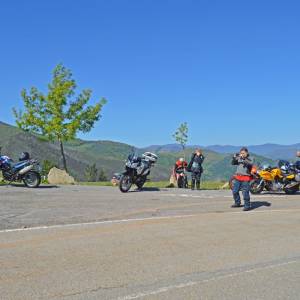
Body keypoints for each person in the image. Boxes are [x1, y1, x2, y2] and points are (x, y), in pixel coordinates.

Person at [231, 147, 254, 211]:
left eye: (243, 153)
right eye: (241, 153)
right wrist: (234, 158)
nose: (242, 154)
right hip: (238, 177)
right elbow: (233, 163)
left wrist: (243, 159)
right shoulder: (239, 158)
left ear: (247, 153)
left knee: (245, 193)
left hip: (245, 178)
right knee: (235, 191)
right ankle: (237, 203)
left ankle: (247, 206)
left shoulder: (251, 158)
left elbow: (250, 163)